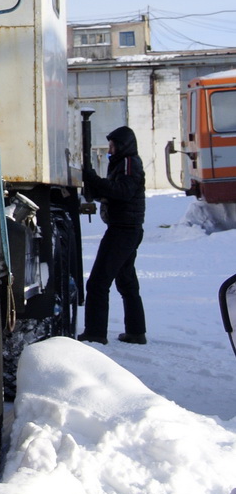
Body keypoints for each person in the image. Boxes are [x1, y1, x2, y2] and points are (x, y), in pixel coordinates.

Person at [79, 125, 148, 345]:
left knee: (98, 282)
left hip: (122, 230)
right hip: (127, 229)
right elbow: (115, 193)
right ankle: (136, 332)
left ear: (123, 145)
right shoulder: (123, 164)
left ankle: (95, 333)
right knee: (126, 282)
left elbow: (123, 192)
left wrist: (94, 180)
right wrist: (96, 187)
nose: (110, 149)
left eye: (113, 145)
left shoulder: (128, 163)